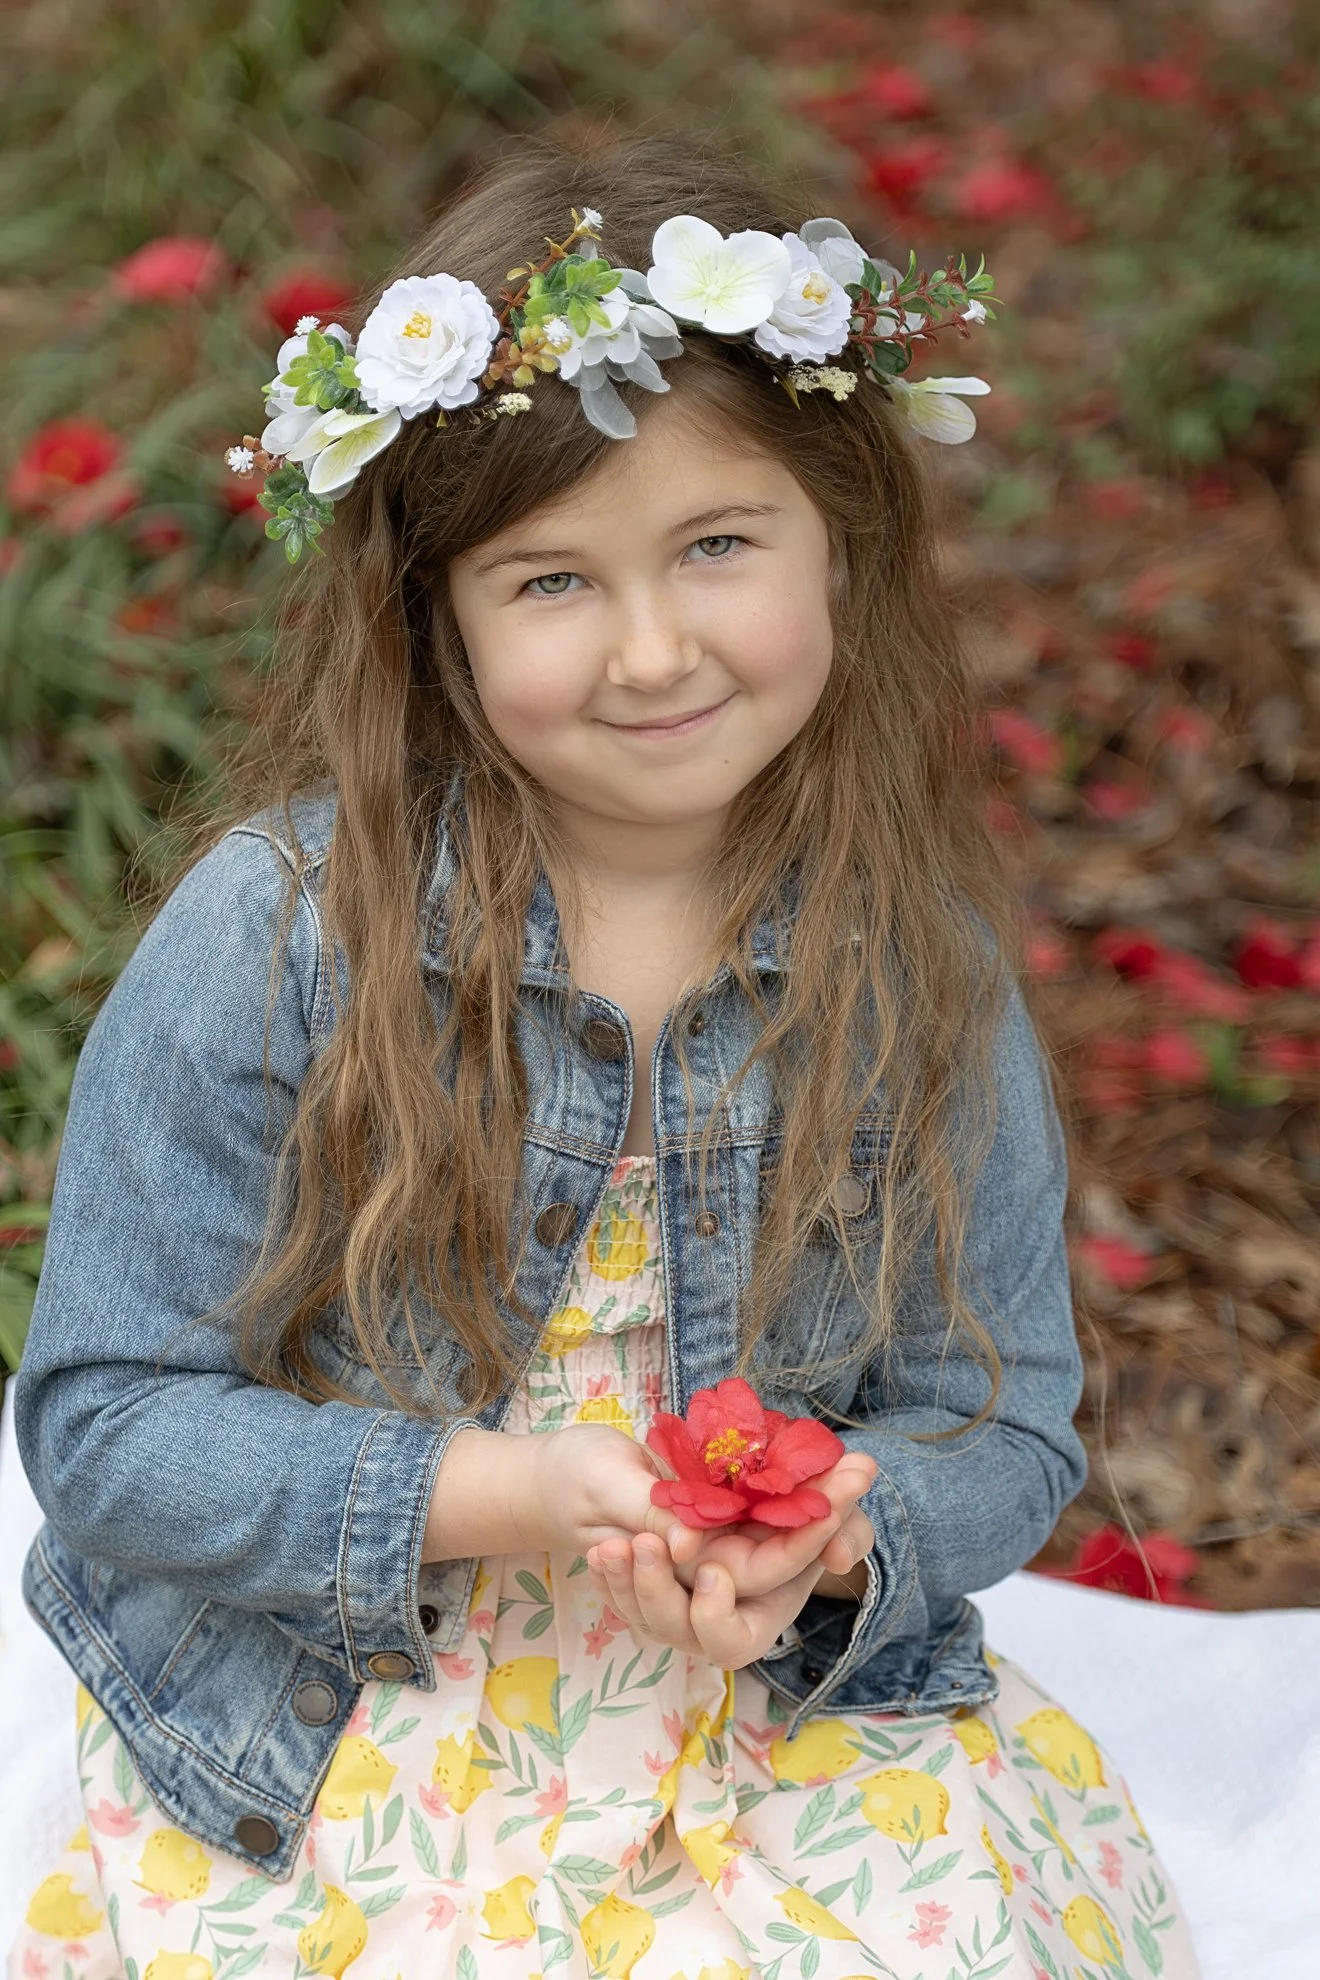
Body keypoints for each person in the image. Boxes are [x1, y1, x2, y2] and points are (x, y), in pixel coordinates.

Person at [9, 129, 1203, 1979]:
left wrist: (825, 1543)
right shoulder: (277, 934)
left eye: (719, 545)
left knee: (951, 1938)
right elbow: (105, 1424)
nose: (653, 649)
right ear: (440, 620)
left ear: (844, 540)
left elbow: (1001, 1415)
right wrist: (508, 1495)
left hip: (761, 1690)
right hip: (340, 1710)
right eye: (550, 581)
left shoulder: (916, 963)